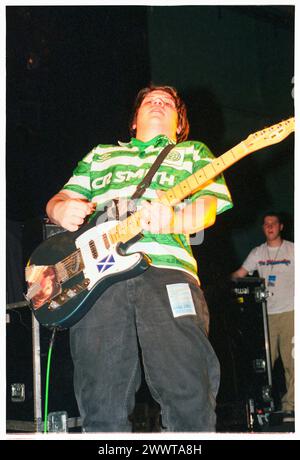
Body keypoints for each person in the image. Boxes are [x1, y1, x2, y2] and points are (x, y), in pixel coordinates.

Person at [46, 85, 233, 432]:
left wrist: (175, 219)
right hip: (97, 281)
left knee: (187, 386)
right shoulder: (100, 156)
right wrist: (60, 208)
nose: (159, 104)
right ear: (134, 120)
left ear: (180, 124)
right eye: (150, 101)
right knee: (100, 393)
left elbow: (207, 207)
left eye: (168, 103)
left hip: (168, 270)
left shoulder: (193, 153)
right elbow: (60, 198)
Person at [231, 213, 294, 421]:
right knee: (263, 364)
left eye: (273, 223)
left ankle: (291, 407)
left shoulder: (293, 249)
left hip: (289, 312)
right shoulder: (258, 252)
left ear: (281, 226)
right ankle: (261, 407)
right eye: (266, 224)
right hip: (265, 317)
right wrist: (231, 283)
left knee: (292, 362)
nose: (270, 227)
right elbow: (238, 274)